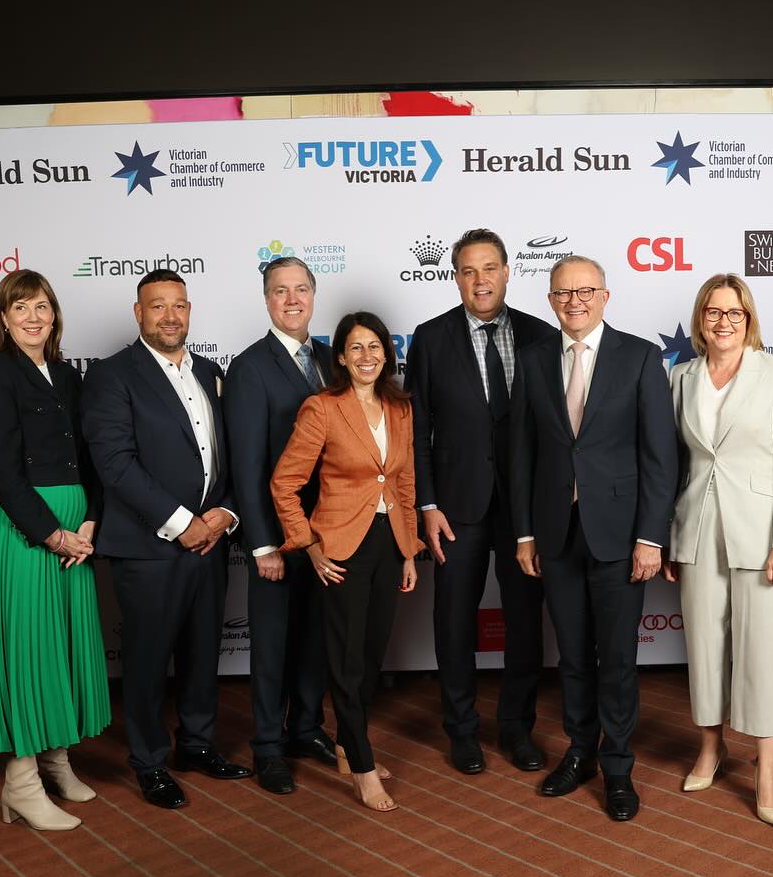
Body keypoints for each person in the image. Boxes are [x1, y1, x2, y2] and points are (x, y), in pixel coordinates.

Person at [511, 255, 678, 822]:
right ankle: (579, 750)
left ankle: (619, 767)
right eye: (563, 292)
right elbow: (524, 453)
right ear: (551, 300)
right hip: (556, 534)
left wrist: (651, 538)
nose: (574, 301)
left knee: (618, 662)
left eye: (585, 291)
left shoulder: (639, 357)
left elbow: (660, 457)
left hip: (621, 535)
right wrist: (526, 532)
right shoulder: (532, 361)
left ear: (605, 296)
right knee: (574, 657)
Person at [82, 269, 249, 810]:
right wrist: (182, 523)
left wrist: (223, 512)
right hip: (152, 547)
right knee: (150, 659)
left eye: (179, 305)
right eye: (158, 306)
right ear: (139, 314)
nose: (170, 316)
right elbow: (115, 464)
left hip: (211, 541)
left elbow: (228, 455)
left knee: (203, 653)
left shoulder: (209, 370)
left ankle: (197, 745)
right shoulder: (112, 376)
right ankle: (150, 761)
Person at [406, 228, 557, 775]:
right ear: (455, 277)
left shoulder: (542, 335)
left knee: (523, 621)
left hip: (525, 511)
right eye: (468, 271)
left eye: (489, 268)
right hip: (456, 508)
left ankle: (517, 729)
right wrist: (426, 504)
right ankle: (462, 730)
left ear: (508, 271)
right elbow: (416, 429)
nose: (480, 280)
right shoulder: (430, 337)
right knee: (452, 621)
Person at [662, 275, 773, 825]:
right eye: (714, 312)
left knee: (766, 654)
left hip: (762, 535)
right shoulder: (681, 377)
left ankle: (766, 772)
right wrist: (672, 537)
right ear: (701, 319)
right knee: (703, 647)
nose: (724, 322)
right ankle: (710, 747)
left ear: (750, 320)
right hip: (696, 530)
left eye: (735, 313)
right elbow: (675, 466)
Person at [0, 269, 111, 830]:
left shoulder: (66, 374)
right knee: (27, 646)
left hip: (76, 524)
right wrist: (52, 532)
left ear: (55, 315)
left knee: (65, 644)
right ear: (3, 318)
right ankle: (21, 780)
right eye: (21, 307)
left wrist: (92, 520)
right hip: (22, 524)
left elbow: (92, 452)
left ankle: (56, 758)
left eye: (43, 306)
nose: (34, 317)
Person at [271, 311, 422, 812]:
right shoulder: (323, 408)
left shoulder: (400, 408)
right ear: (339, 356)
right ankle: (360, 766)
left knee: (373, 658)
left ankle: (344, 745)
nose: (366, 356)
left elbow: (403, 483)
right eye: (355, 348)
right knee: (347, 661)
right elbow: (285, 483)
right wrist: (308, 544)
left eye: (374, 346)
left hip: (387, 544)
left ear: (387, 352)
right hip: (340, 549)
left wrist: (409, 549)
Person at [224, 257, 339, 794]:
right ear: (266, 300)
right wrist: (263, 544)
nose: (291, 300)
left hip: (328, 532)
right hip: (277, 534)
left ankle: (307, 727)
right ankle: (269, 746)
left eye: (300, 290)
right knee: (271, 644)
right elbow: (246, 465)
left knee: (317, 636)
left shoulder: (332, 361)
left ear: (314, 295)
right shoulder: (249, 367)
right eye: (279, 291)